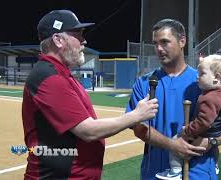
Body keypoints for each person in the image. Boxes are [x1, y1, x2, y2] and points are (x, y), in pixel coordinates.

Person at [22, 10, 158, 180]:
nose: (84, 40)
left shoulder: (61, 74)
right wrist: (137, 115)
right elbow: (88, 131)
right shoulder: (49, 77)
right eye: (77, 34)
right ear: (58, 40)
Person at [126, 19, 221, 180]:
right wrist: (173, 145)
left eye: (165, 42)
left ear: (182, 41)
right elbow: (139, 128)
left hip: (199, 173)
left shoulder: (203, 81)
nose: (159, 48)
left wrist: (210, 142)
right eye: (155, 43)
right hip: (155, 173)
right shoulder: (144, 83)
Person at [155, 54, 221, 180]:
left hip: (204, 133)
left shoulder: (208, 98)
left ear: (216, 78)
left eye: (202, 74)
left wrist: (187, 130)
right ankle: (215, 164)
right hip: (218, 130)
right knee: (213, 149)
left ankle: (175, 171)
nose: (197, 77)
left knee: (176, 141)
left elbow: (203, 122)